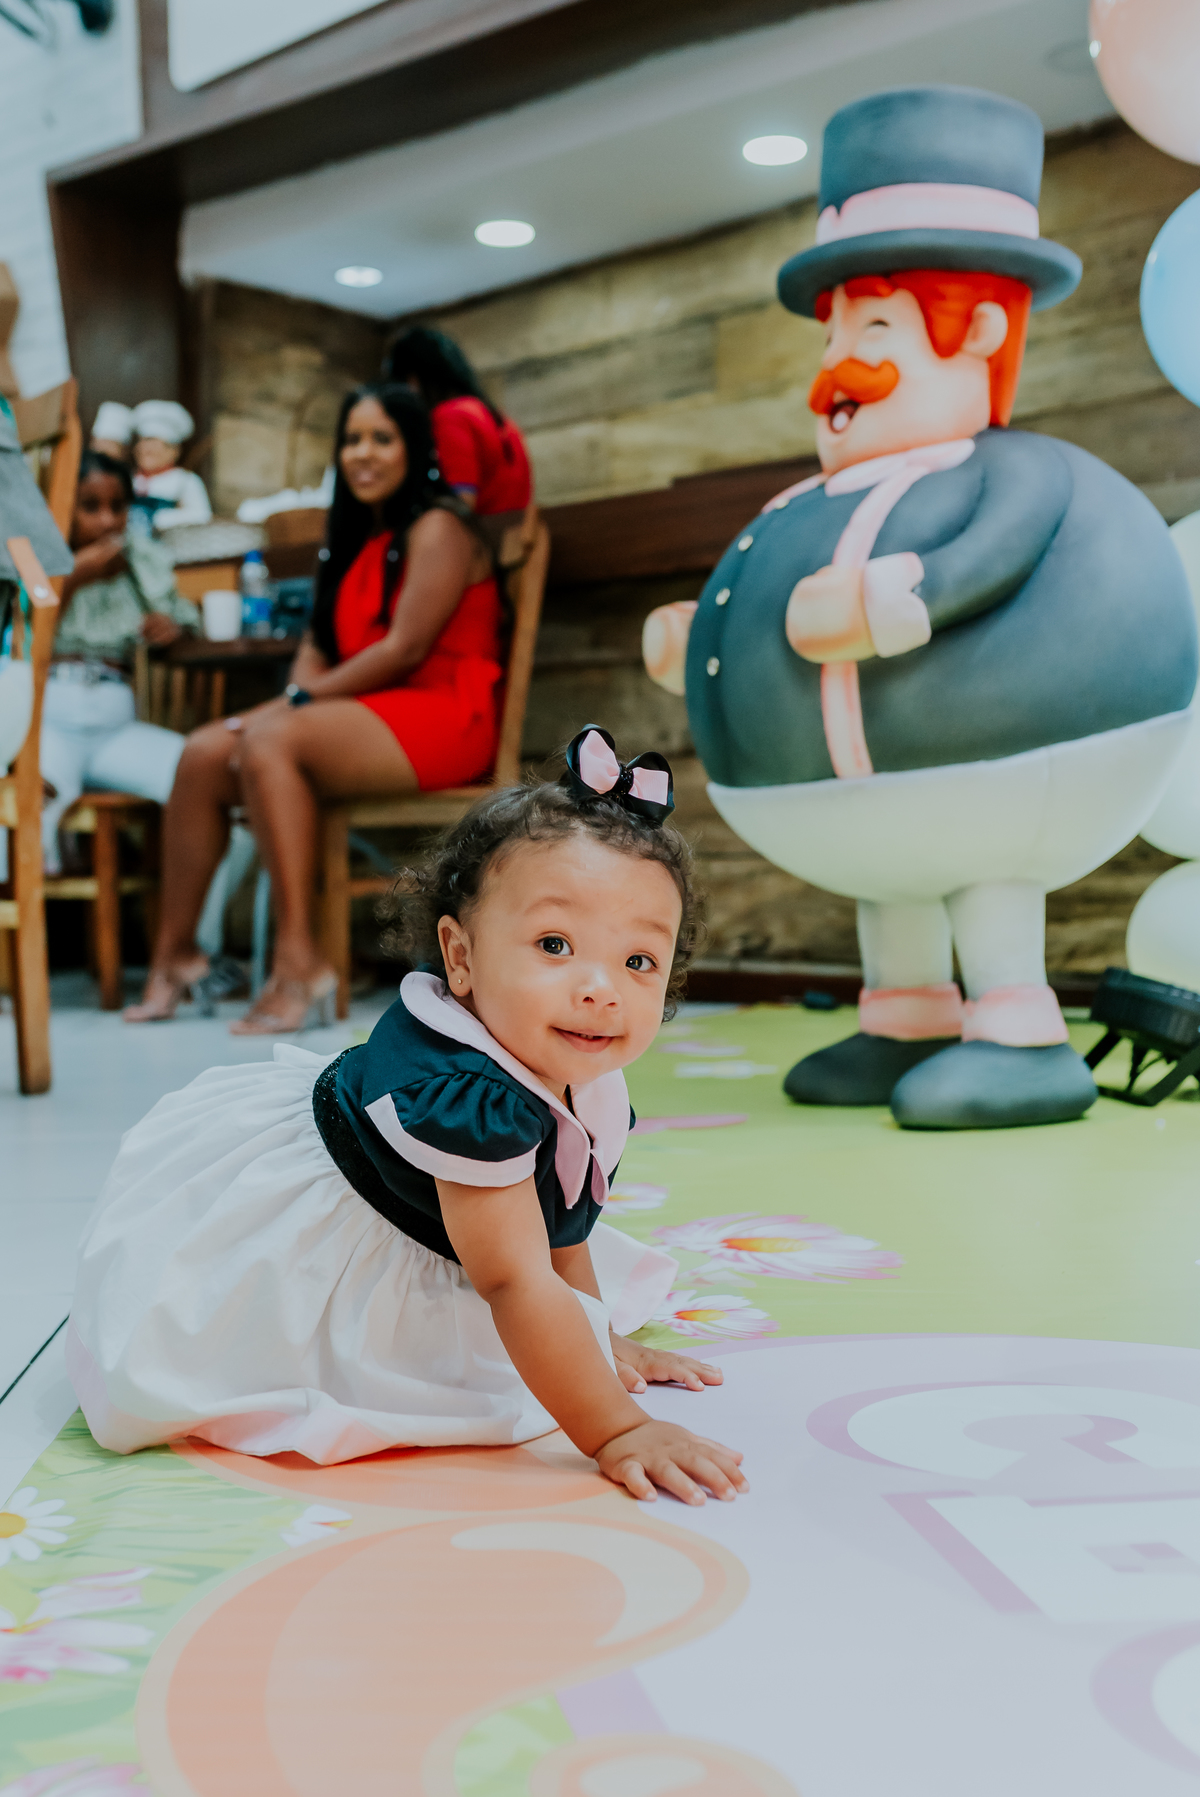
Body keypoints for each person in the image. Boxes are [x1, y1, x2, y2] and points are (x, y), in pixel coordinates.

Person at [67, 730, 748, 1504]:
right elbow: (515, 1280)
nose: (602, 988)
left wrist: (601, 1337)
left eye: (638, 960)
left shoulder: (573, 1063)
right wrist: (616, 1427)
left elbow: (560, 1217)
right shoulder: (472, 1102)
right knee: (316, 1356)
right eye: (555, 943)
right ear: (460, 957)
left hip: (453, 1215)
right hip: (320, 1234)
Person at [126, 382, 507, 1034]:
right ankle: (175, 956)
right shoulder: (356, 540)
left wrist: (289, 707)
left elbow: (405, 648)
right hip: (364, 713)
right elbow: (317, 649)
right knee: (203, 751)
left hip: (444, 713)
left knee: (270, 741)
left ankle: (299, 958)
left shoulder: (440, 527)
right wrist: (289, 701)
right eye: (352, 440)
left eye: (382, 438)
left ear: (414, 447)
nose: (363, 453)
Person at [39, 450, 201, 873]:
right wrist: (76, 574)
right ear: (61, 504)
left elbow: (183, 615)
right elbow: (22, 629)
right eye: (90, 507)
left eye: (118, 507)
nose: (108, 521)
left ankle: (198, 918)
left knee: (214, 781)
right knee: (28, 810)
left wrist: (173, 627)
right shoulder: (37, 558)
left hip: (117, 725)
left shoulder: (141, 560)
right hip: (48, 722)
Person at [385, 324, 532, 517]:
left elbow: (460, 504)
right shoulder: (497, 417)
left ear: (413, 379)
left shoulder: (450, 416)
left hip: (482, 532)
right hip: (513, 529)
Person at [129, 399, 212, 532]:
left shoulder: (186, 481)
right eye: (143, 443)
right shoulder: (128, 478)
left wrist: (164, 519)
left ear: (174, 451)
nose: (146, 450)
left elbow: (202, 519)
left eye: (154, 444)